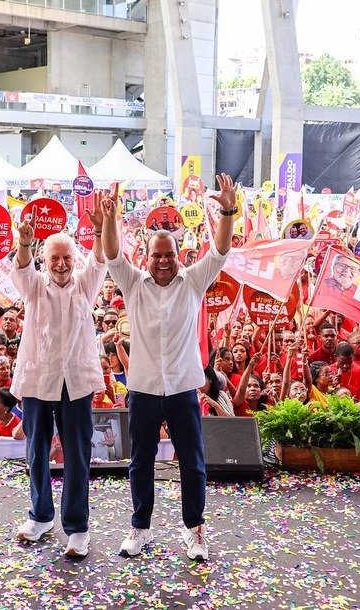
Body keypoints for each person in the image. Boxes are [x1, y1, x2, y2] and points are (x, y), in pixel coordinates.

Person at [100, 173, 237, 562]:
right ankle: (140, 529)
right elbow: (112, 256)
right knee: (140, 463)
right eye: (156, 255)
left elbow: (221, 252)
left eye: (169, 255)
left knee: (192, 464)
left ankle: (195, 531)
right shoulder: (133, 284)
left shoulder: (193, 283)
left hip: (181, 388)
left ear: (180, 256)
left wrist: (226, 210)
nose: (163, 261)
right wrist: (109, 218)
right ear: (147, 257)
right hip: (142, 389)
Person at [10, 199, 106, 559]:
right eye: (55, 259)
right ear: (45, 261)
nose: (62, 265)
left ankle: (77, 527)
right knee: (36, 450)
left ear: (74, 260)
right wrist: (24, 241)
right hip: (38, 380)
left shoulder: (86, 286)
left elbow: (99, 261)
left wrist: (98, 230)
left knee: (78, 455)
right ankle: (40, 516)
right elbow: (20, 269)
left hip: (76, 382)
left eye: (67, 258)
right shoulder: (34, 287)